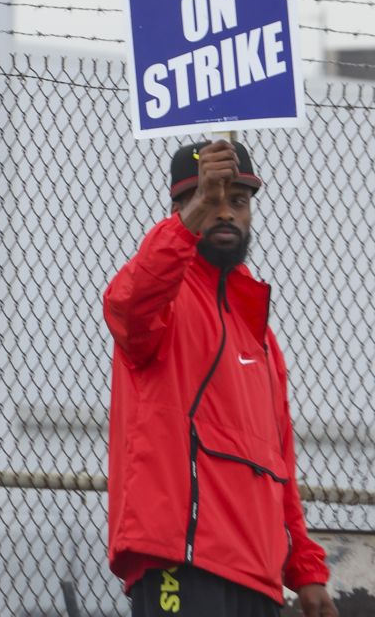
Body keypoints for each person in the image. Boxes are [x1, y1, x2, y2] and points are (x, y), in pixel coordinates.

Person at [103, 140, 338, 617]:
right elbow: (127, 304)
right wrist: (194, 214)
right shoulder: (164, 298)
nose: (224, 213)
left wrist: (306, 571)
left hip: (256, 574)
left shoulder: (261, 335)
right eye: (209, 200)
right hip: (179, 559)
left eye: (238, 201)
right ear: (178, 210)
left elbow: (280, 464)